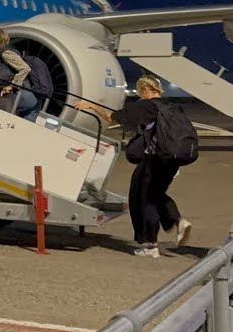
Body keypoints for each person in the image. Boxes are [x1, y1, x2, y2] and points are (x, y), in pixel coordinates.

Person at [78, 75, 193, 257]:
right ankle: (178, 221)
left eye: (140, 92)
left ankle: (150, 246)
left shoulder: (146, 106)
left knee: (144, 199)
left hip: (154, 160)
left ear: (145, 90)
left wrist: (93, 106)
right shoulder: (171, 106)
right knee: (156, 194)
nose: (140, 96)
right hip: (172, 160)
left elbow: (112, 117)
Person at [0, 29, 38, 122]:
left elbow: (25, 68)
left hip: (20, 96)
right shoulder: (6, 53)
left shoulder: (6, 54)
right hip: (21, 97)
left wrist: (12, 86)